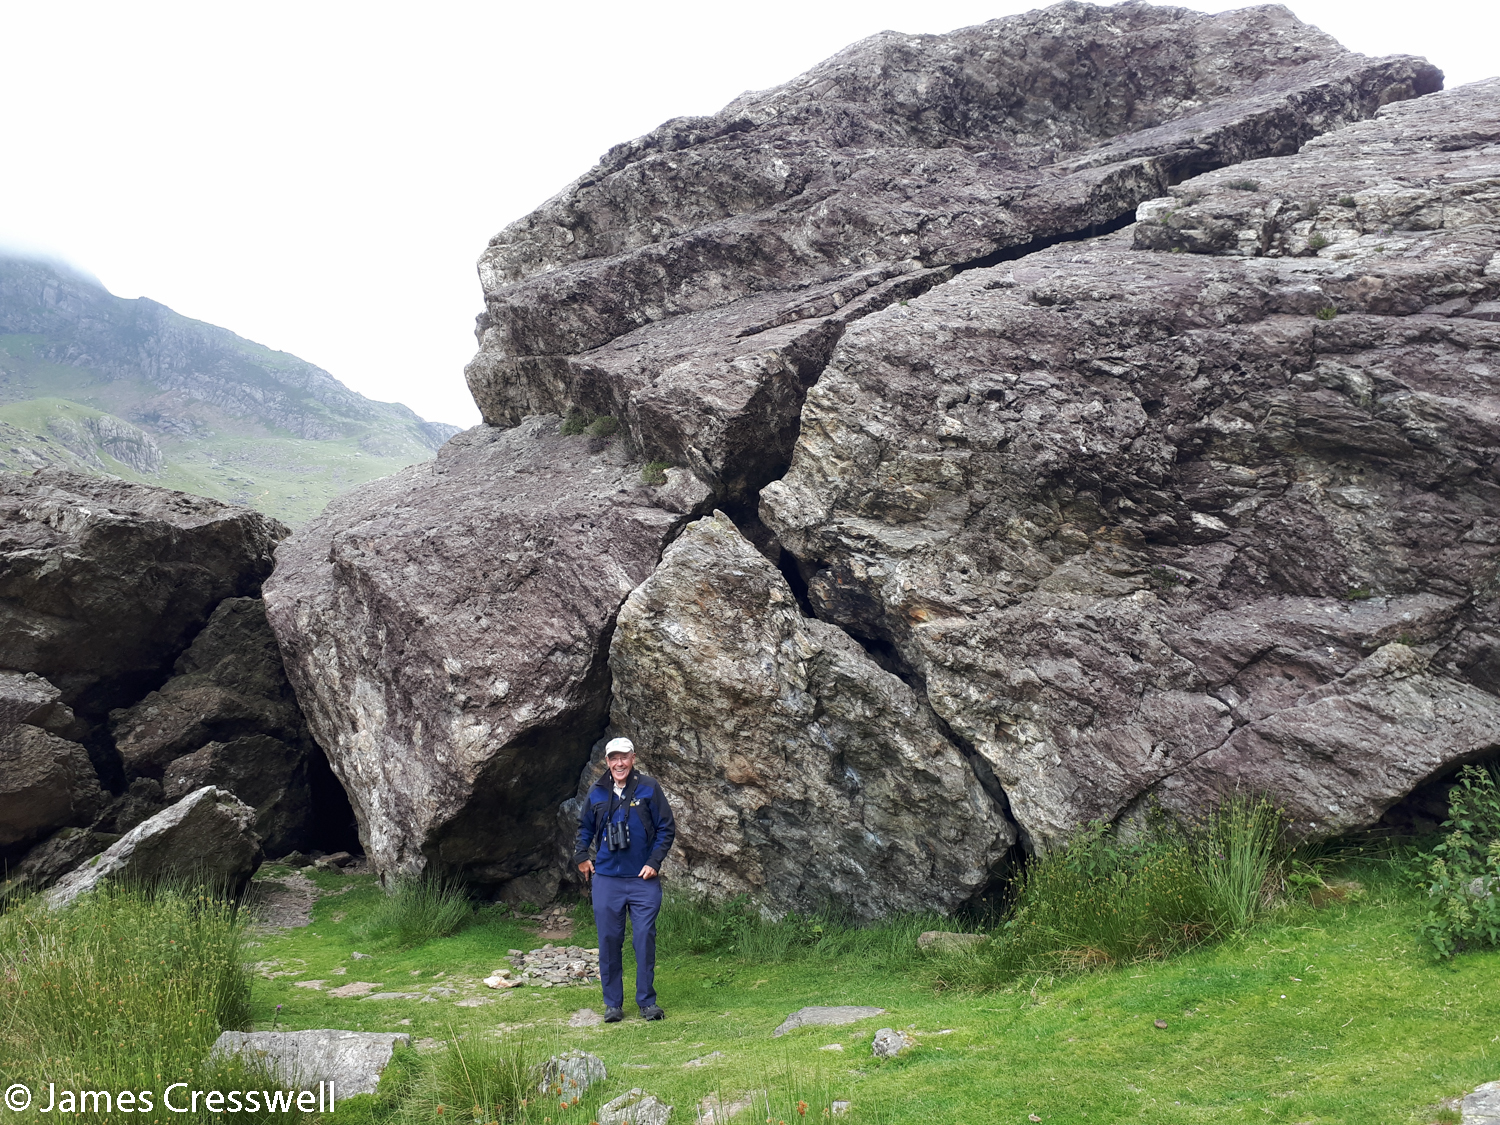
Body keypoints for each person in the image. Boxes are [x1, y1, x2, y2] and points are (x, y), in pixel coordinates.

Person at [573, 736, 676, 1022]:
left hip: (643, 879)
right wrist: (581, 856)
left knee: (644, 939)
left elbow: (666, 828)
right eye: (613, 758)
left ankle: (647, 1003)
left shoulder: (649, 788)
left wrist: (654, 862)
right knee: (608, 940)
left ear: (633, 759)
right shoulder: (596, 792)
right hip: (606, 878)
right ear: (606, 762)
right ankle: (613, 1005)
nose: (619, 763)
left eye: (624, 757)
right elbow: (584, 828)